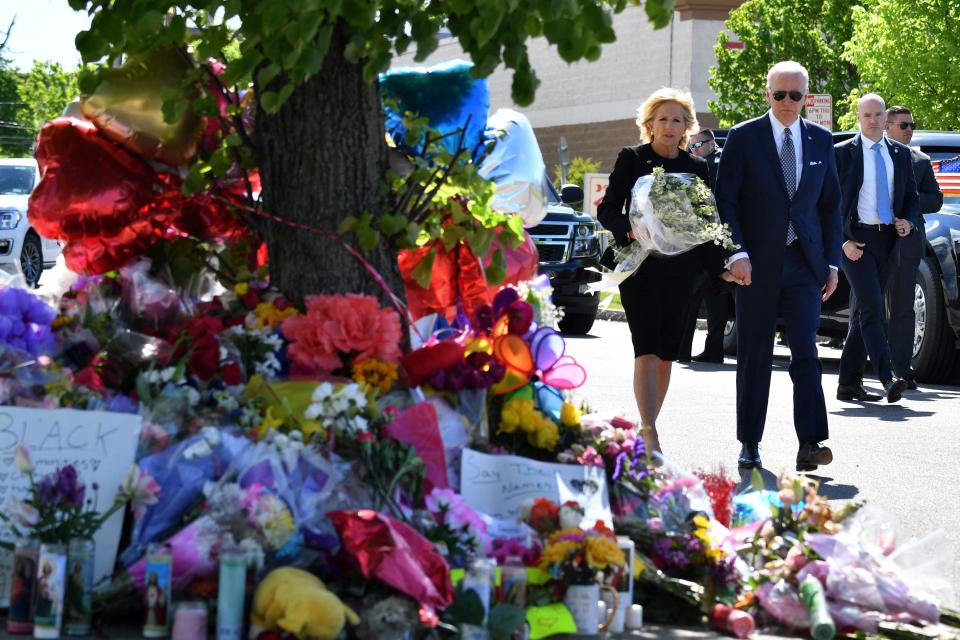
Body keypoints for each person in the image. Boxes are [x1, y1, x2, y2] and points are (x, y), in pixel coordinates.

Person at [714, 60, 843, 472]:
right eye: (779, 94)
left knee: (806, 350)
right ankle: (749, 442)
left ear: (806, 96)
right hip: (755, 264)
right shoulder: (743, 137)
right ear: (767, 93)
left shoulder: (822, 140)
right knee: (754, 354)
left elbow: (831, 207)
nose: (788, 102)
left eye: (796, 94)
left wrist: (832, 263)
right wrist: (736, 254)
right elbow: (726, 202)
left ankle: (811, 442)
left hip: (805, 265)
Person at [596, 88, 724, 456]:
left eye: (677, 120)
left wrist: (722, 270)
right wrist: (630, 228)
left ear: (687, 126)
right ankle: (649, 432)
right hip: (641, 269)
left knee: (667, 352)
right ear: (649, 124)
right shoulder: (632, 159)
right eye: (663, 119)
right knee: (647, 348)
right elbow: (607, 211)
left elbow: (707, 223)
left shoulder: (697, 168)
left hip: (683, 272)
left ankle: (649, 423)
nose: (670, 126)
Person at [834, 94, 919, 404]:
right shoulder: (842, 154)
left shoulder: (899, 153)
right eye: (866, 114)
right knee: (872, 308)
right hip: (856, 242)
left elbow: (911, 196)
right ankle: (888, 377)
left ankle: (848, 384)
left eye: (878, 114)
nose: (872, 119)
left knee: (862, 315)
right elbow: (828, 204)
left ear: (886, 118)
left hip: (888, 241)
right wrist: (842, 241)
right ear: (858, 118)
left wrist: (907, 222)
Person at [882, 106, 942, 389]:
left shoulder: (920, 160)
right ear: (887, 126)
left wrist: (908, 204)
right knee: (867, 307)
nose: (909, 130)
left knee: (904, 309)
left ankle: (902, 370)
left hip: (907, 243)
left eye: (912, 125)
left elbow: (936, 199)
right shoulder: (872, 156)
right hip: (873, 243)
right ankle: (860, 369)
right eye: (903, 125)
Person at [678, 129, 730, 364]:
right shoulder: (727, 161)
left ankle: (682, 350)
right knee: (716, 298)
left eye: (695, 146)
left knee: (690, 297)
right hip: (725, 240)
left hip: (702, 239)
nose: (692, 151)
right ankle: (714, 349)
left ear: (710, 143)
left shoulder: (705, 166)